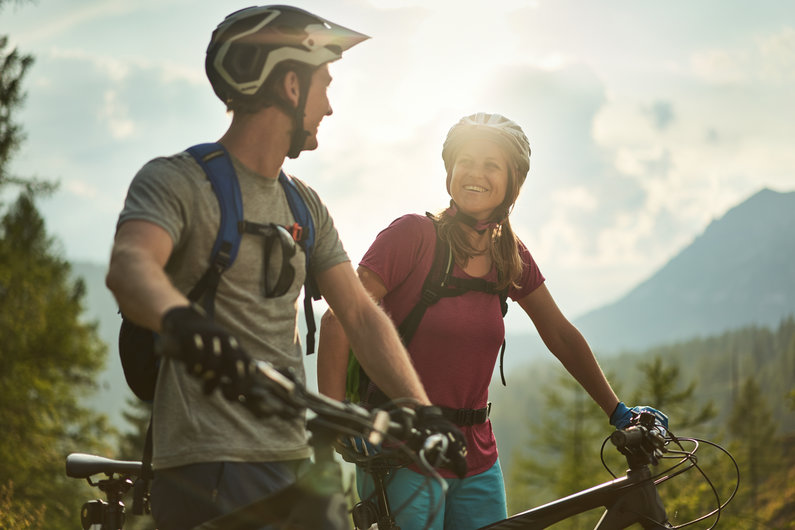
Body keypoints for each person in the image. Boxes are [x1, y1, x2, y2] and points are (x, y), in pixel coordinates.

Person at [105, 6, 466, 529]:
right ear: (291, 86)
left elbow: (361, 317)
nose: (330, 107)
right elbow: (131, 264)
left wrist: (421, 410)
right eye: (325, 85)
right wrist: (181, 321)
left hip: (292, 457)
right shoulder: (179, 182)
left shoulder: (304, 206)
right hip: (208, 464)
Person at [317, 112, 668, 530]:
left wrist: (618, 411)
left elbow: (559, 333)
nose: (474, 173)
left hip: (477, 459)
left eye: (490, 165)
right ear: (449, 169)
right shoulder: (412, 236)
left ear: (511, 182)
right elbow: (339, 319)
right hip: (402, 451)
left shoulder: (509, 255)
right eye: (465, 160)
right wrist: (337, 415)